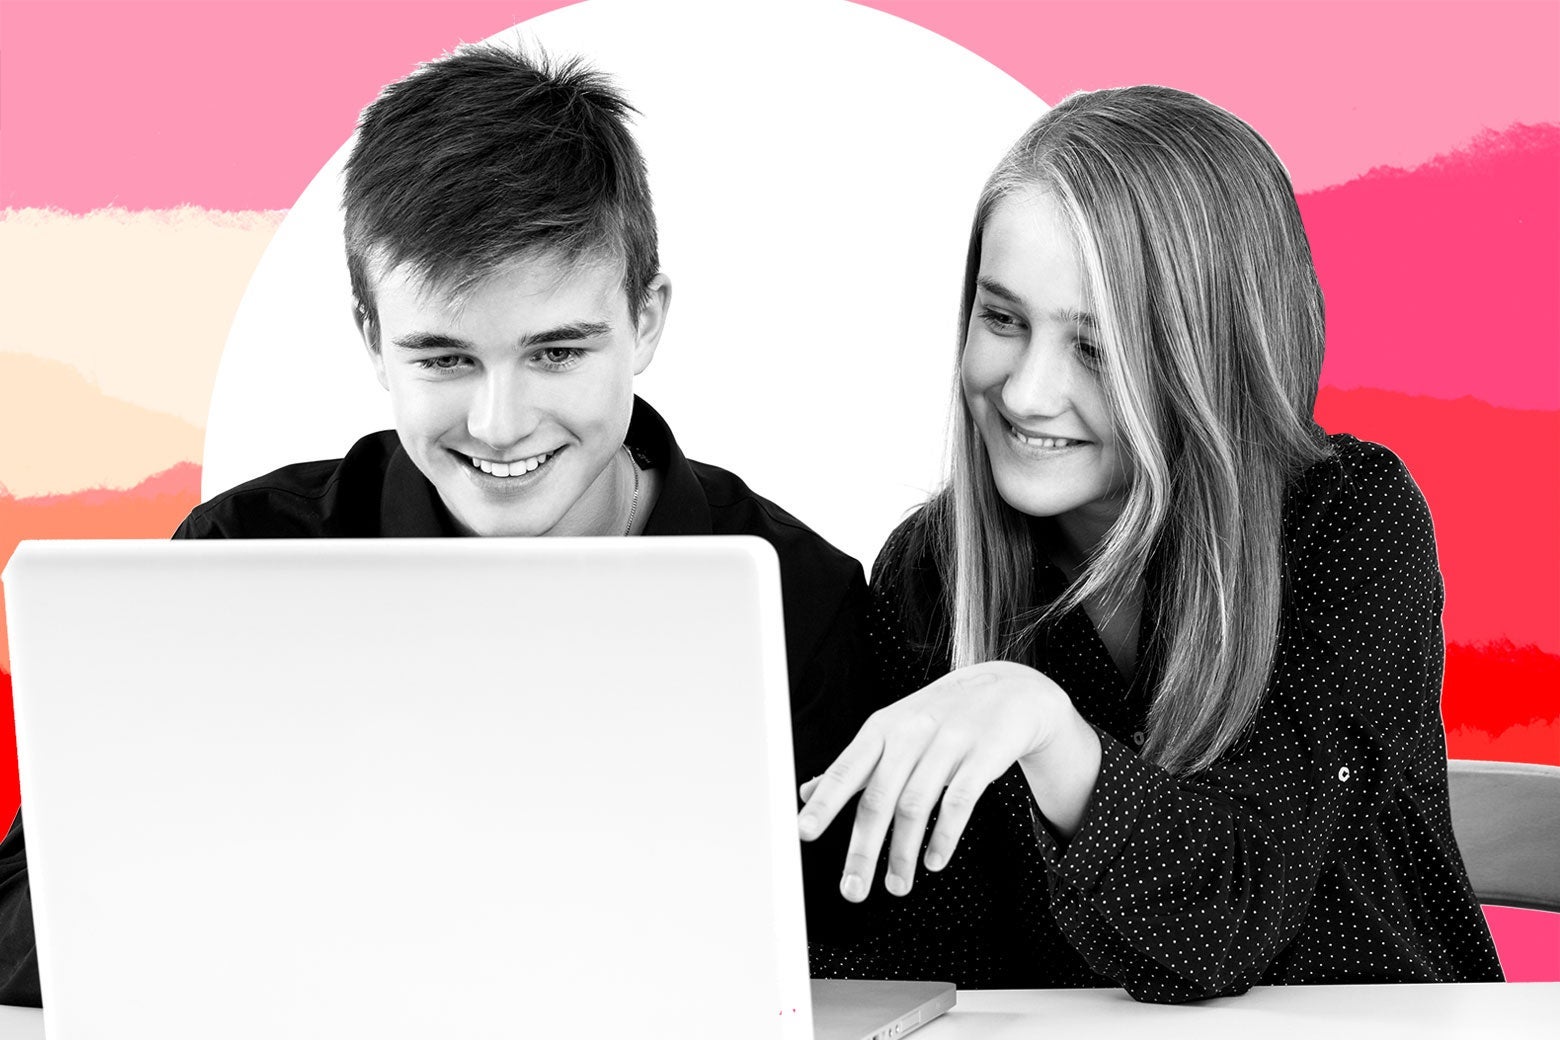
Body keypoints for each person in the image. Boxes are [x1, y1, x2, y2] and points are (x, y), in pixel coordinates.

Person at [0, 43, 877, 1007]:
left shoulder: (809, 602)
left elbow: (856, 965)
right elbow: (18, 935)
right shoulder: (243, 559)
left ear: (648, 321)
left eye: (555, 352)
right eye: (444, 360)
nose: (500, 424)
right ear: (373, 337)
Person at [798, 85, 1504, 1002]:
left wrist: (1049, 732)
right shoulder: (934, 572)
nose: (1024, 394)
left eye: (1096, 349)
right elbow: (940, 944)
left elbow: (1230, 918)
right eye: (1002, 319)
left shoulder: (1351, 522)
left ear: (1207, 355)